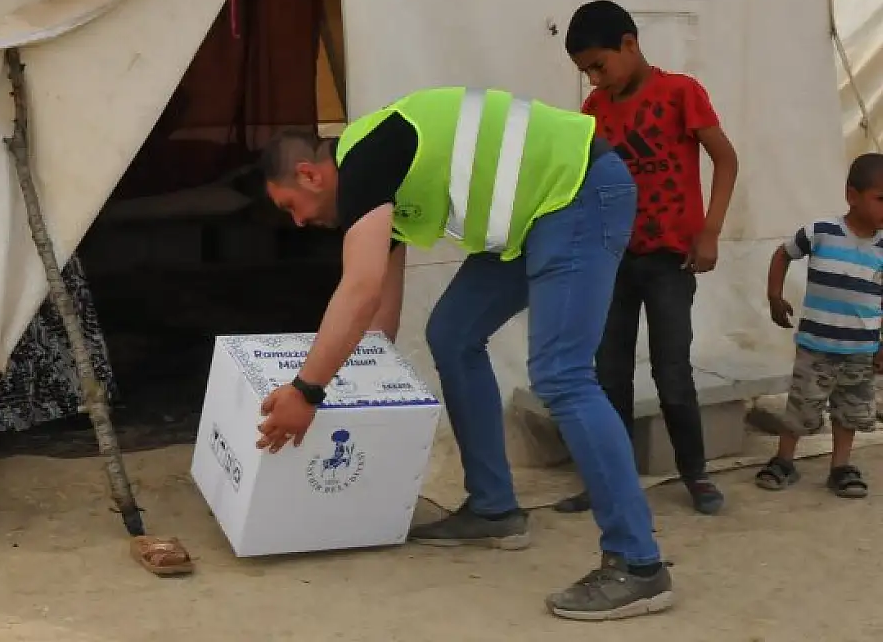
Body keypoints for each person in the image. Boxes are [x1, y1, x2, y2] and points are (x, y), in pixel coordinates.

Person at [255, 87, 673, 621]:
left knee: (561, 375)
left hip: (578, 190)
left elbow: (358, 288)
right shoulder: (377, 183)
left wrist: (306, 392)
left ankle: (638, 565)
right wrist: (361, 389)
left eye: (290, 206)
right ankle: (494, 510)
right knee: (452, 334)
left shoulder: (366, 157)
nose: (297, 222)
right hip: (536, 215)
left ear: (310, 175)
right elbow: (377, 313)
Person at [553, 0, 740, 515]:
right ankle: (610, 478)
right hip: (611, 259)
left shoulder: (681, 92)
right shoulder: (594, 111)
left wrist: (710, 231)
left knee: (671, 370)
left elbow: (726, 160)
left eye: (599, 65)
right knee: (608, 373)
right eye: (586, 72)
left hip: (670, 260)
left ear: (630, 44)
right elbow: (583, 179)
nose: (595, 79)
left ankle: (696, 474)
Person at [756, 152, 883, 498]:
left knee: (849, 410)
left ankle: (840, 467)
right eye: (880, 198)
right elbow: (783, 253)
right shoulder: (822, 232)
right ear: (852, 196)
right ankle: (784, 460)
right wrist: (774, 295)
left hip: (860, 352)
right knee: (801, 405)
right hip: (816, 347)